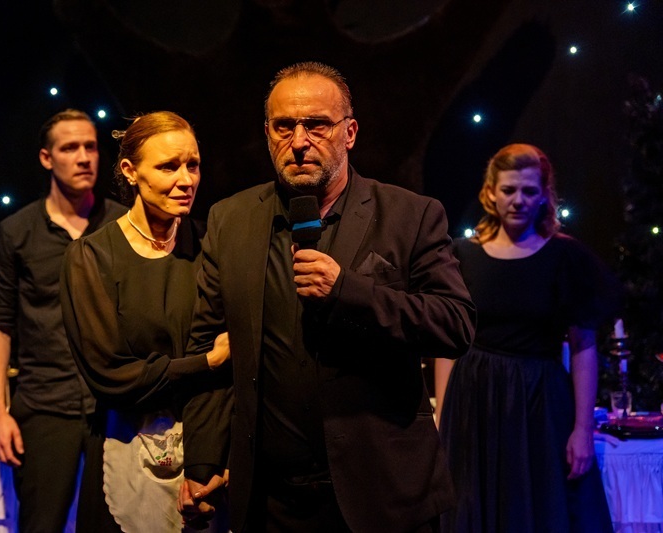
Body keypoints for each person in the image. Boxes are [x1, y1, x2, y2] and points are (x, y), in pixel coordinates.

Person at [179, 61, 476, 533]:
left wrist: (348, 291)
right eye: (284, 126)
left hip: (383, 496)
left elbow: (454, 325)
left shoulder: (410, 215)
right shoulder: (230, 219)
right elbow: (208, 347)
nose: (299, 141)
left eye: (317, 125)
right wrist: (202, 460)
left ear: (349, 133)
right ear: (267, 133)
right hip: (271, 501)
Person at [59, 111, 231, 532]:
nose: (186, 179)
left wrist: (217, 458)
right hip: (125, 447)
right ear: (130, 171)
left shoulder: (212, 245)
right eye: (168, 167)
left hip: (208, 449)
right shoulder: (93, 257)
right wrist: (205, 363)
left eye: (193, 165)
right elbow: (110, 376)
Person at [434, 143, 618, 533]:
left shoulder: (565, 257)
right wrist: (442, 418)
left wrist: (583, 429)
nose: (518, 200)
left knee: (540, 509)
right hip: (475, 400)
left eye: (529, 191)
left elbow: (584, 347)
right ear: (491, 193)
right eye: (509, 190)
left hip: (539, 401)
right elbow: (448, 342)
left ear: (544, 195)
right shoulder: (462, 256)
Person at [0, 109, 126, 532]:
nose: (83, 157)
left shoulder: (124, 224)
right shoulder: (16, 232)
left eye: (91, 147)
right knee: (42, 523)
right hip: (45, 401)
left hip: (113, 403)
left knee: (116, 523)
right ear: (47, 158)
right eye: (70, 148)